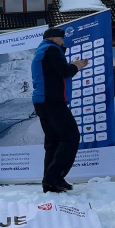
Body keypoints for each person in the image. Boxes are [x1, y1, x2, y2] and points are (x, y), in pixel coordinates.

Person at [31, 28, 89, 193]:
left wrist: (74, 66)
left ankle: (50, 181)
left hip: (43, 101)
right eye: (62, 39)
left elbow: (58, 75)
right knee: (70, 136)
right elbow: (64, 71)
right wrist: (75, 66)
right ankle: (53, 178)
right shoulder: (51, 49)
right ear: (54, 38)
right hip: (52, 101)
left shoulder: (42, 51)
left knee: (54, 142)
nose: (64, 42)